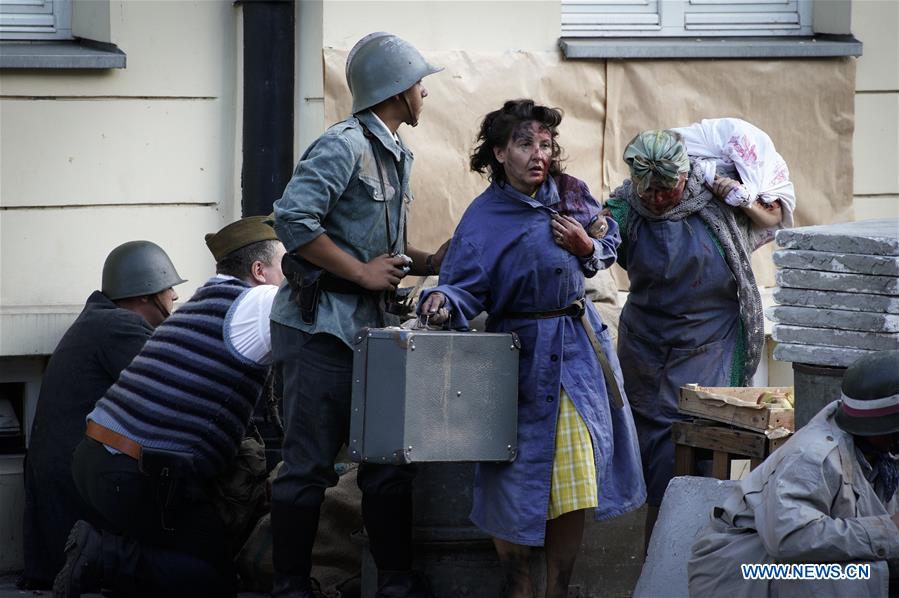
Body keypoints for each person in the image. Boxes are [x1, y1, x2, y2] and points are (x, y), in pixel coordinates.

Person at [418, 99, 646, 598]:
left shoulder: (569, 195)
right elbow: (461, 288)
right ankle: (518, 586)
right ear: (499, 152)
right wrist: (438, 300)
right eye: (525, 143)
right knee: (512, 481)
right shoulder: (482, 221)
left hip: (578, 356)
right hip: (518, 363)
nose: (538, 154)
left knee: (575, 478)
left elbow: (607, 243)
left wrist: (587, 248)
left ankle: (556, 590)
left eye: (545, 144)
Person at [269, 32, 447, 598]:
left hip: (374, 334)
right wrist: (362, 274)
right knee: (307, 468)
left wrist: (428, 259)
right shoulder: (342, 144)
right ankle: (291, 587)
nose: (425, 92)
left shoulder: (395, 152)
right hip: (321, 330)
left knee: (389, 463)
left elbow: (375, 246)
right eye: (420, 82)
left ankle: (393, 581)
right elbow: (294, 223)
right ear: (398, 89)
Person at [52, 216, 285, 597]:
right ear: (259, 272)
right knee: (213, 580)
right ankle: (106, 557)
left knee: (179, 557)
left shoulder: (205, 302)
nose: (290, 277)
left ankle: (112, 561)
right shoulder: (261, 300)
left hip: (102, 457)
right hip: (136, 474)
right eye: (285, 266)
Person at [603, 129, 787, 546]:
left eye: (666, 189)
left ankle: (696, 547)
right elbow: (601, 241)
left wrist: (739, 195)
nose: (656, 198)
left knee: (698, 445)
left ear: (685, 176)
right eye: (646, 189)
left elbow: (773, 217)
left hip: (709, 344)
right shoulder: (625, 206)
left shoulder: (718, 200)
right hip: (646, 345)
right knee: (651, 446)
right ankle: (660, 553)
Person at [20, 240, 185, 590]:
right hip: (82, 487)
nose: (173, 297)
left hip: (64, 487)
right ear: (145, 294)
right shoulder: (119, 328)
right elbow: (172, 393)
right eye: (169, 289)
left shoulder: (99, 322)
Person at [689, 350, 899, 597]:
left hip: (780, 560)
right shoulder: (813, 456)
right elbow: (789, 538)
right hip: (745, 570)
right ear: (882, 426)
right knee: (858, 578)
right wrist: (887, 531)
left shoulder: (880, 451)